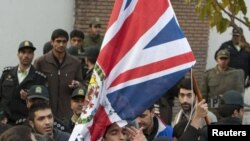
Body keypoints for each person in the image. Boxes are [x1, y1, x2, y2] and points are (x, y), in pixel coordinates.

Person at [34, 29, 83, 120]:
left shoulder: (75, 63)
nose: (61, 44)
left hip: (68, 113)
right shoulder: (41, 62)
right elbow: (34, 86)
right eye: (58, 41)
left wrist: (77, 84)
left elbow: (82, 85)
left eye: (64, 42)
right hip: (46, 112)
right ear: (52, 42)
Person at [0, 40, 46, 125]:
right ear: (18, 55)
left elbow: (42, 104)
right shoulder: (7, 73)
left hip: (24, 122)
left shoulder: (40, 78)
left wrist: (29, 98)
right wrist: (1, 115)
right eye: (23, 52)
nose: (26, 55)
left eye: (29, 53)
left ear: (33, 56)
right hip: (4, 121)